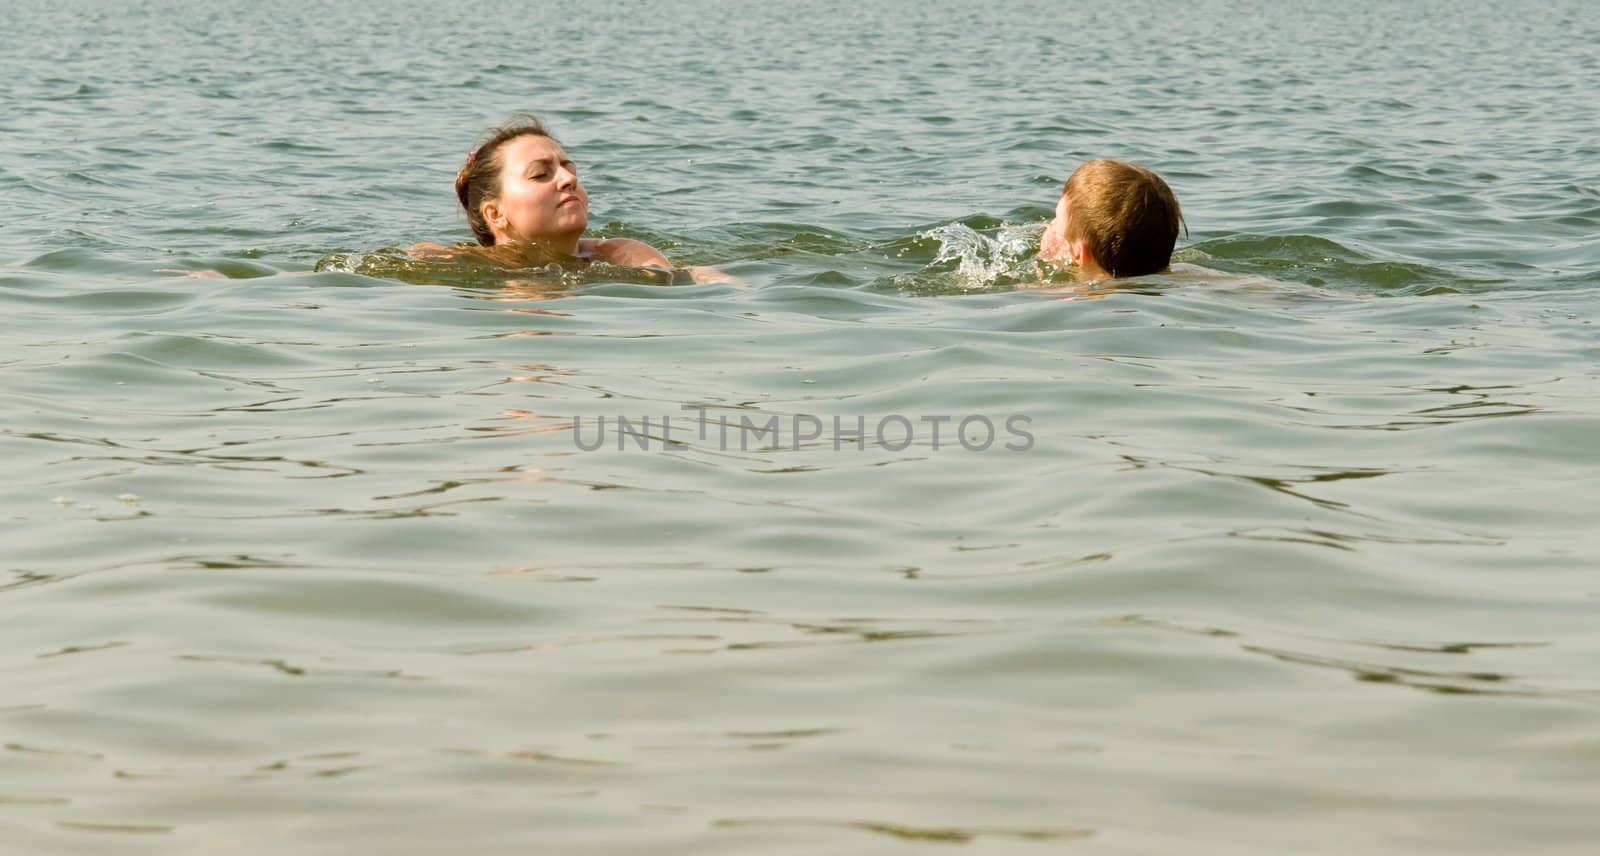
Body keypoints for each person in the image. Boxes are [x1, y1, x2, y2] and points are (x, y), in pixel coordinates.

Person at [414, 116, 728, 281]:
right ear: (495, 214)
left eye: (569, 168)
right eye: (540, 174)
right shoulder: (463, 263)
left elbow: (676, 277)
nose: (569, 179)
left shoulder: (618, 254)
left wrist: (704, 277)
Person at [1037, 159, 1183, 280]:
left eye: (1056, 220)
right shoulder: (1186, 275)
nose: (1048, 225)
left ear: (1079, 254)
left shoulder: (1067, 296)